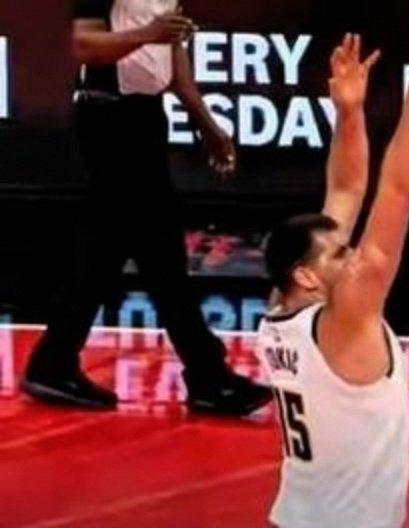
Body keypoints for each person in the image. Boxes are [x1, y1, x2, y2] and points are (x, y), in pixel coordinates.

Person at [255, 34, 409, 528]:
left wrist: (349, 112)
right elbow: (399, 193)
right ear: (307, 274)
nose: (352, 256)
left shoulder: (280, 308)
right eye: (340, 253)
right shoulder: (346, 318)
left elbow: (346, 189)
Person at [21, 0, 268, 415]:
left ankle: (54, 362)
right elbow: (85, 45)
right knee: (159, 247)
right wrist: (149, 33)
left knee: (115, 251)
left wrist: (206, 123)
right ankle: (207, 375)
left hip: (145, 116)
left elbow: (172, 52)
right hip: (107, 114)